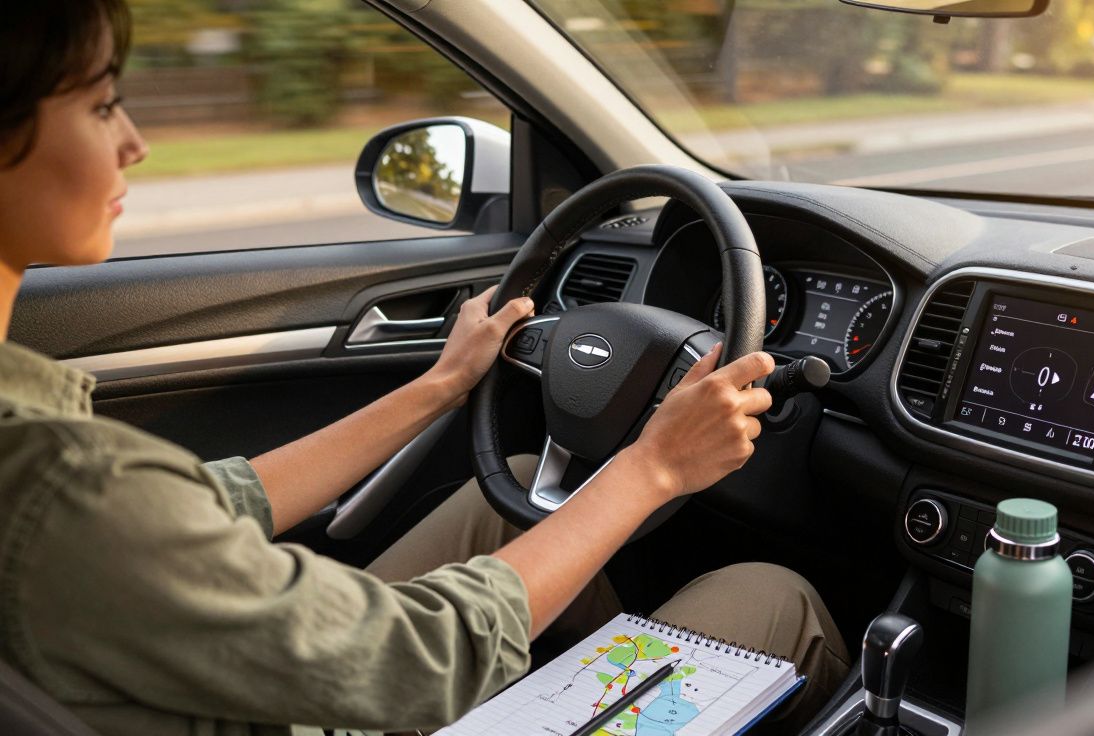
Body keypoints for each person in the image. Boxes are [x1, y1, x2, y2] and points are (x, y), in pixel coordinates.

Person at [0, 2, 851, 734]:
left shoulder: (47, 461)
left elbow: (215, 504)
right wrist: (653, 468)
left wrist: (440, 385)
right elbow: (422, 658)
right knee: (771, 596)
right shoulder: (62, 482)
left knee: (514, 492)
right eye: (104, 104)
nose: (137, 143)